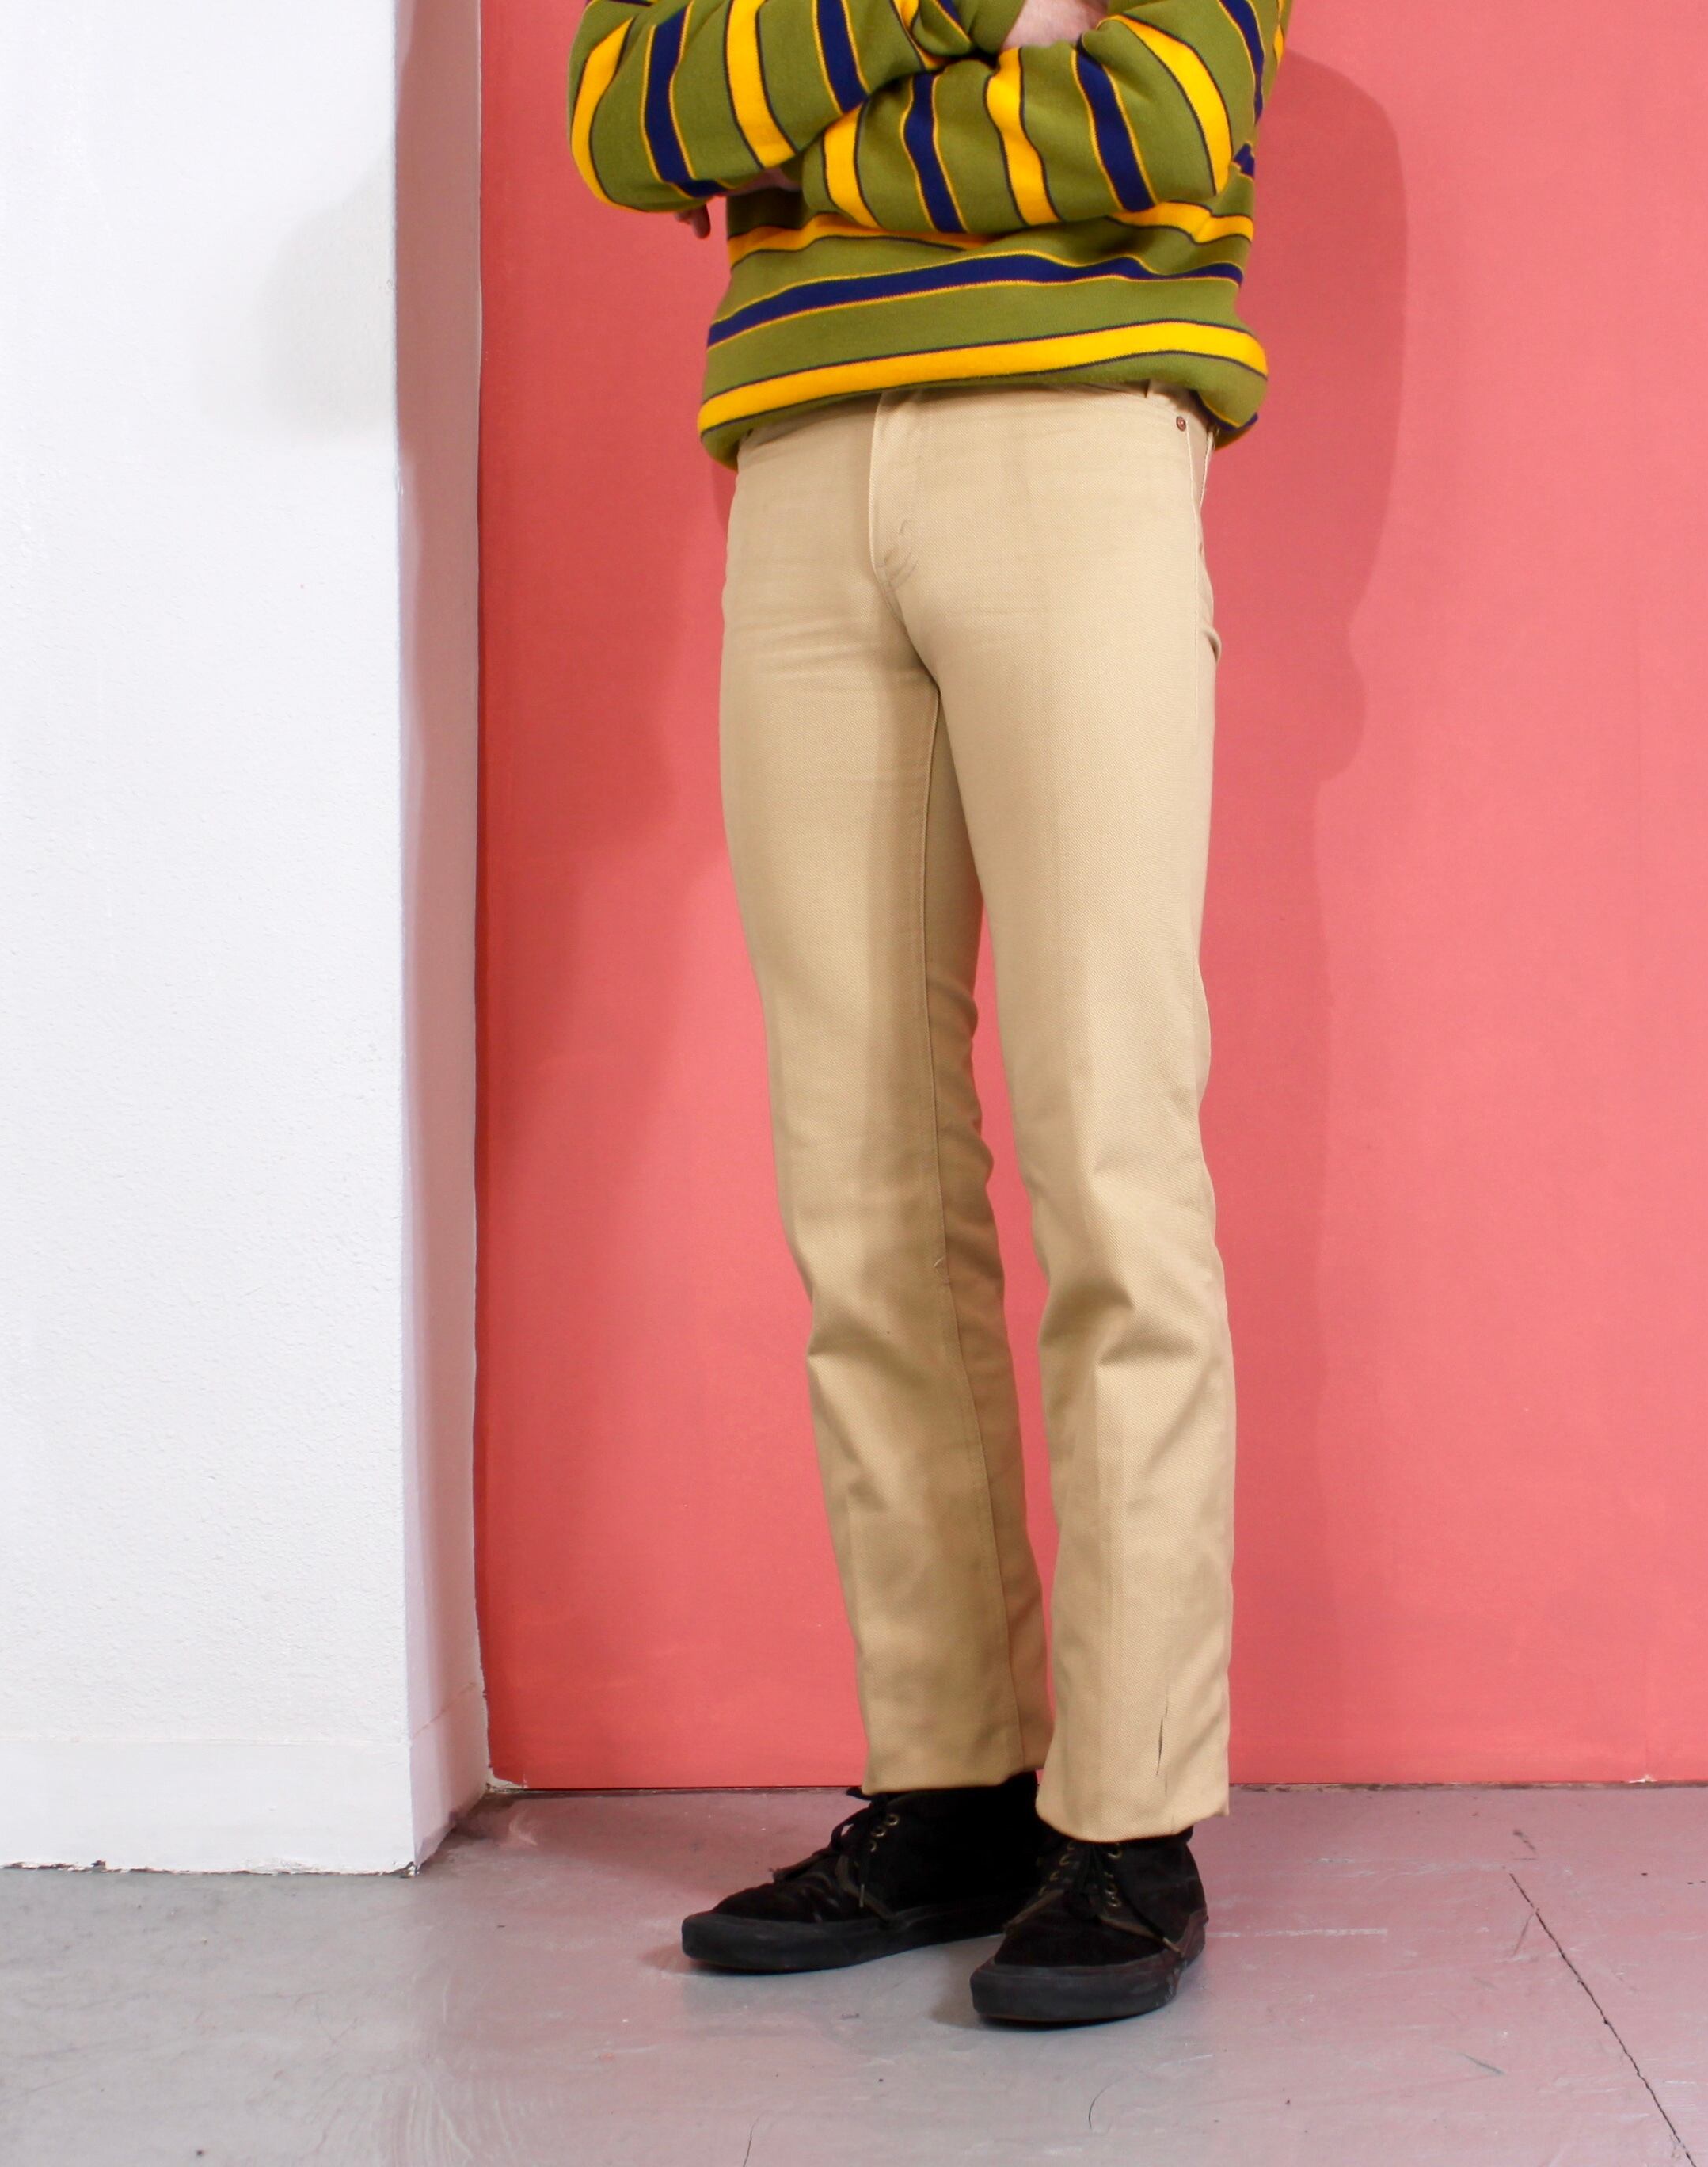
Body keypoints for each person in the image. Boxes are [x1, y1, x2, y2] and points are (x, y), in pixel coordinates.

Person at [566, 0, 1288, 2026]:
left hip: (1076, 438)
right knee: (858, 1172)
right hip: (801, 470)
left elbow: (1160, 118)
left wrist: (794, 150)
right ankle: (952, 1782)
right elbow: (634, 116)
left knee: (1108, 1145)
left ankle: (1130, 1816)